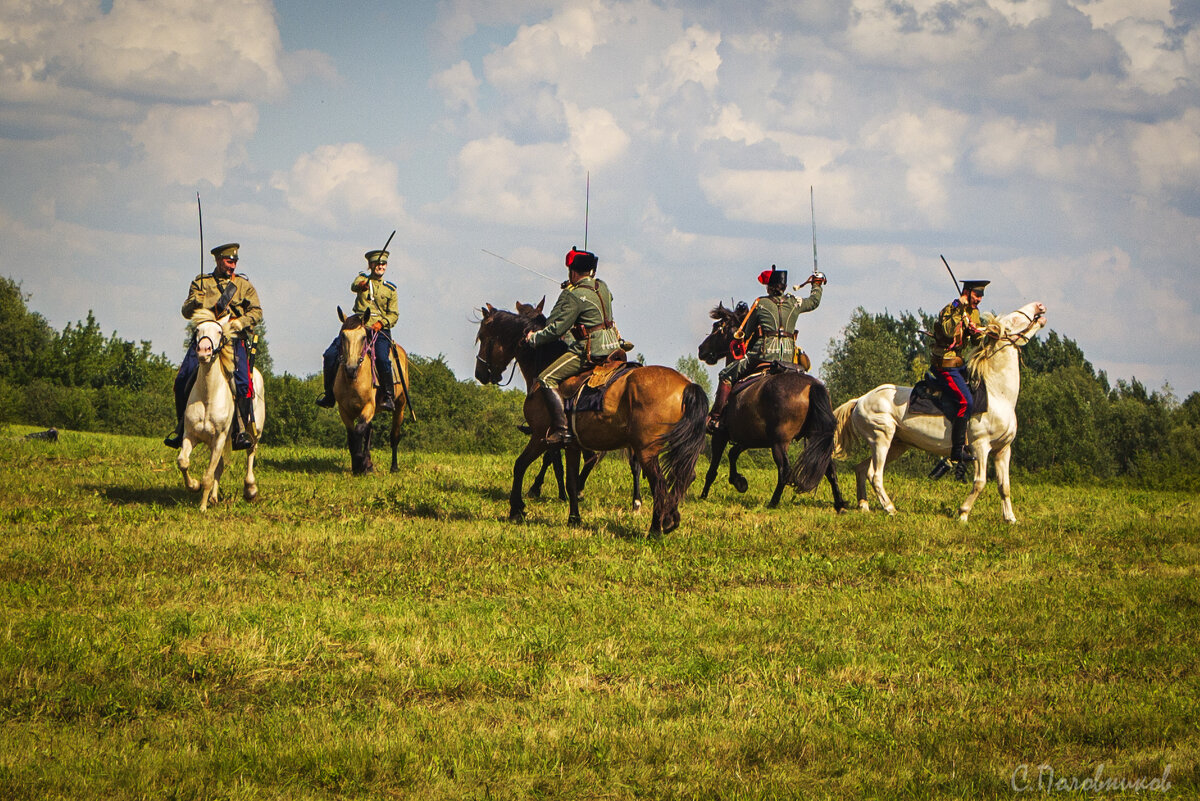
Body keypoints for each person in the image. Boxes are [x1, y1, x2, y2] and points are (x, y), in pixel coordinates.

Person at [164, 243, 263, 451]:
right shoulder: (202, 283)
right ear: (218, 260)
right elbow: (186, 311)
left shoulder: (243, 286)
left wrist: (240, 323)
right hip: (205, 340)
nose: (232, 266)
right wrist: (194, 302)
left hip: (232, 340)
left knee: (244, 383)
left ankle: (240, 430)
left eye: (235, 262)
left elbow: (256, 312)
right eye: (229, 261)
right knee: (183, 380)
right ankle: (182, 427)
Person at [523, 246, 624, 446]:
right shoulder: (603, 286)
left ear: (573, 272)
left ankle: (562, 430)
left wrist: (534, 338)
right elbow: (604, 298)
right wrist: (576, 286)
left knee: (546, 378)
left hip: (592, 350)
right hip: (613, 346)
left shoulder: (574, 296)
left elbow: (556, 330)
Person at [706, 265, 825, 433]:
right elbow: (814, 302)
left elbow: (746, 333)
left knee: (725, 375)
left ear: (769, 287)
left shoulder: (760, 304)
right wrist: (817, 283)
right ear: (784, 287)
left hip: (763, 355)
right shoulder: (794, 302)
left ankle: (716, 418)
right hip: (789, 357)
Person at [315, 249, 400, 411]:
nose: (380, 266)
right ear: (370, 265)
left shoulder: (390, 289)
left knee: (382, 358)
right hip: (357, 324)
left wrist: (382, 323)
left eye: (383, 264)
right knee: (330, 354)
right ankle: (329, 394)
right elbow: (355, 286)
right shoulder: (362, 279)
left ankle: (388, 396)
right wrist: (363, 285)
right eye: (377, 264)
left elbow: (394, 314)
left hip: (379, 329)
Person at [929, 279, 989, 467]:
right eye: (976, 295)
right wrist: (957, 310)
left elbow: (974, 341)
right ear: (967, 292)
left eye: (981, 296)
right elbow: (947, 332)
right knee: (966, 401)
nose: (979, 299)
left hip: (960, 363)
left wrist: (978, 332)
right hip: (945, 364)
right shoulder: (950, 309)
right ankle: (957, 451)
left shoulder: (974, 313)